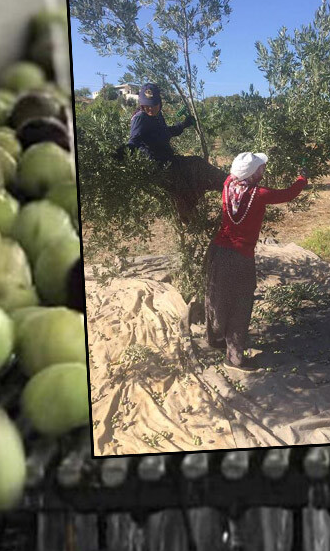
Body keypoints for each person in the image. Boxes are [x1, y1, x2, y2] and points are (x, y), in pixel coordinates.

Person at [204, 152, 308, 371]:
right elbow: (289, 194)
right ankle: (234, 358)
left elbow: (235, 174)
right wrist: (302, 178)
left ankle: (215, 340)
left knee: (217, 297)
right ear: (251, 173)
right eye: (260, 168)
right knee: (240, 304)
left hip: (219, 251)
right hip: (241, 257)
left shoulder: (227, 185)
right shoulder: (259, 194)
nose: (263, 171)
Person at [123, 82, 226, 225]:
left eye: (154, 104)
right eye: (147, 105)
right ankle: (190, 218)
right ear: (141, 103)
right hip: (157, 166)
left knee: (197, 164)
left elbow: (165, 133)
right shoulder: (140, 117)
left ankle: (227, 184)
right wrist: (121, 157)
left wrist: (183, 125)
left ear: (159, 103)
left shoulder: (157, 116)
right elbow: (133, 141)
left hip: (168, 161)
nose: (151, 108)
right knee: (185, 182)